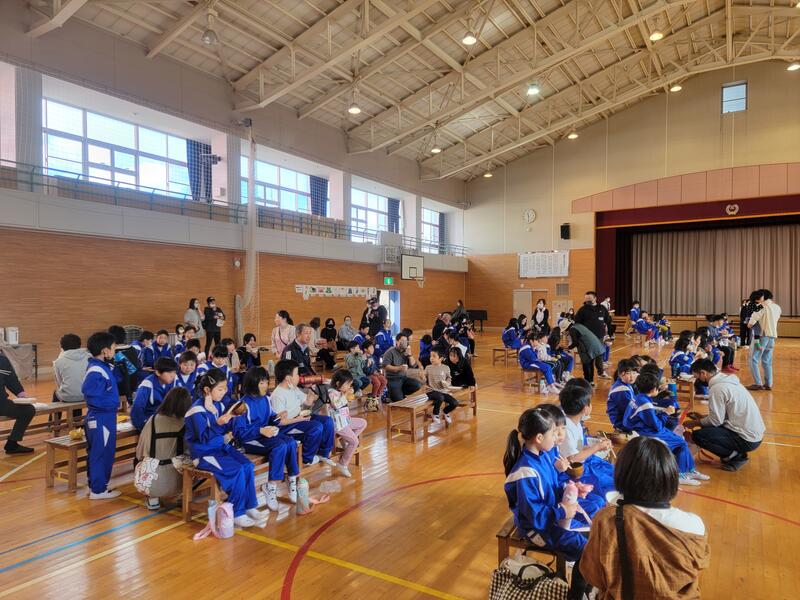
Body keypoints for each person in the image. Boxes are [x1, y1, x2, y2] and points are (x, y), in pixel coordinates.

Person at [581, 437, 709, 599]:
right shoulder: (695, 525)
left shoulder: (607, 519)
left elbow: (593, 575)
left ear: (622, 475)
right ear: (671, 477)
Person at [503, 406, 592, 600]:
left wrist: (573, 488)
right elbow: (535, 516)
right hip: (536, 529)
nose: (557, 437)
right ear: (539, 438)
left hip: (551, 518)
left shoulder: (543, 456)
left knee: (596, 537)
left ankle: (585, 589)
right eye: (553, 433)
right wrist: (562, 511)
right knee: (587, 550)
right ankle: (577, 596)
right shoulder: (525, 472)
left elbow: (554, 484)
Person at [184, 369, 265, 528]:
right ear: (207, 390)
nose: (224, 392)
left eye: (225, 388)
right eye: (220, 389)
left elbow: (226, 427)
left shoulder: (219, 404)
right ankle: (237, 512)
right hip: (204, 454)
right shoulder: (196, 411)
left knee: (247, 465)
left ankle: (249, 505)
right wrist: (218, 424)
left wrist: (235, 416)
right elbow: (203, 438)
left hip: (221, 447)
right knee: (236, 470)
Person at [623, 373, 708, 486]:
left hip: (644, 428)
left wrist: (661, 412)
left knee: (680, 441)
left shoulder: (637, 397)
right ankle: (679, 475)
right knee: (681, 443)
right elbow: (657, 425)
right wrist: (666, 413)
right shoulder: (645, 404)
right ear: (653, 389)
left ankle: (689, 470)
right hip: (645, 432)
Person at [233, 366, 300, 510]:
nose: (265, 385)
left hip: (265, 436)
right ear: (253, 383)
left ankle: (292, 479)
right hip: (249, 441)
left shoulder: (266, 399)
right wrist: (260, 430)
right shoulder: (242, 405)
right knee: (280, 446)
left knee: (291, 442)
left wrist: (277, 417)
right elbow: (239, 432)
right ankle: (271, 487)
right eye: (261, 383)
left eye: (266, 382)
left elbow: (271, 418)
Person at [686, 359, 765, 471]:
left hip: (746, 439)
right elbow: (723, 416)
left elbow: (716, 421)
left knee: (698, 436)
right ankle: (734, 453)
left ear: (703, 373)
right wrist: (701, 417)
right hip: (754, 434)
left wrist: (694, 423)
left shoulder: (717, 388)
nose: (697, 380)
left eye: (697, 377)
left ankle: (736, 457)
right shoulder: (727, 381)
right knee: (705, 426)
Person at [269, 359, 335, 467]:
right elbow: (279, 422)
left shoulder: (293, 388)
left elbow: (307, 402)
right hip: (286, 428)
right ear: (288, 378)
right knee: (316, 427)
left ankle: (323, 453)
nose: (299, 376)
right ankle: (306, 459)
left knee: (327, 421)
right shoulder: (277, 395)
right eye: (296, 374)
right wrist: (298, 419)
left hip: (299, 419)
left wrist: (311, 395)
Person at [135, 386, 192, 510]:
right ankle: (183, 494)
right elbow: (190, 451)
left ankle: (153, 498)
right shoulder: (186, 423)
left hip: (151, 480)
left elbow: (140, 451)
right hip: (178, 480)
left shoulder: (152, 420)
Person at [559, 379, 615, 497]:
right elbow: (573, 459)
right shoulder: (566, 428)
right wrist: (596, 447)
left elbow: (579, 448)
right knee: (610, 484)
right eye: (589, 402)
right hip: (574, 471)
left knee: (614, 472)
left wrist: (598, 445)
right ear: (585, 408)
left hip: (583, 464)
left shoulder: (576, 423)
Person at [82, 332, 121, 498]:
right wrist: (110, 404)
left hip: (105, 416)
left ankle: (97, 486)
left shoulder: (102, 367)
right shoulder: (96, 370)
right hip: (101, 417)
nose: (115, 352)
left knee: (102, 452)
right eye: (113, 349)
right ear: (105, 351)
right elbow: (89, 392)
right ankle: (98, 490)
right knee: (101, 453)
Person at [324, 369, 366, 477]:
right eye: (347, 384)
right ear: (338, 383)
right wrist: (346, 395)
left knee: (363, 423)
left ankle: (346, 440)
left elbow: (345, 402)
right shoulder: (331, 392)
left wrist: (349, 396)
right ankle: (342, 463)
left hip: (345, 420)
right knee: (355, 442)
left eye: (350, 384)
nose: (349, 387)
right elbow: (336, 405)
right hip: (338, 424)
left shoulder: (341, 392)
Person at [747, 289, 782, 391]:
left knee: (753, 359)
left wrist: (749, 324)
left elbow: (751, 323)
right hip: (772, 336)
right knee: (767, 360)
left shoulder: (760, 307)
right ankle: (769, 384)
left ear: (762, 297)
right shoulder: (777, 307)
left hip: (762, 335)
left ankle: (758, 383)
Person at [0, 353, 35, 454]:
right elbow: (12, 381)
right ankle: (12, 444)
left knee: (28, 410)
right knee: (28, 410)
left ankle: (12, 444)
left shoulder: (2, 360)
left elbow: (11, 380)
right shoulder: (2, 360)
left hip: (2, 404)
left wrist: (22, 396)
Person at [131, 357, 177, 432]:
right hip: (148, 422)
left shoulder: (172, 383)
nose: (173, 375)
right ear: (158, 372)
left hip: (165, 421)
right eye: (169, 372)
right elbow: (137, 409)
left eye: (174, 372)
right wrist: (144, 428)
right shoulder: (147, 385)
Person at [560, 320, 609, 385]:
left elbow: (575, 342)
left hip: (587, 346)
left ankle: (587, 381)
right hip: (595, 344)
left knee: (586, 363)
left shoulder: (572, 330)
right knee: (590, 363)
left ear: (566, 327)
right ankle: (591, 381)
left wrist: (568, 347)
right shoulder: (578, 325)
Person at [382, 332, 423, 402]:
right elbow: (385, 366)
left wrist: (410, 355)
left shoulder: (406, 351)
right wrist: (399, 368)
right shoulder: (390, 352)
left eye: (406, 341)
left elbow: (413, 365)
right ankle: (390, 394)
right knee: (399, 401)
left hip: (403, 377)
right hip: (392, 379)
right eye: (402, 341)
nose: (404, 343)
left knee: (417, 385)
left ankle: (399, 393)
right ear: (397, 342)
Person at [423, 347, 459, 425]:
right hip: (431, 391)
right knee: (440, 397)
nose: (431, 358)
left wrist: (447, 383)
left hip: (443, 391)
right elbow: (424, 379)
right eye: (430, 356)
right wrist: (422, 379)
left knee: (455, 403)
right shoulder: (428, 368)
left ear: (441, 358)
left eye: (434, 356)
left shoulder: (446, 368)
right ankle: (435, 414)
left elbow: (449, 378)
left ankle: (445, 411)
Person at [53, 333, 89, 407]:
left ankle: (55, 414)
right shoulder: (88, 357)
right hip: (86, 394)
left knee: (56, 393)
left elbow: (59, 382)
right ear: (79, 344)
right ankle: (77, 415)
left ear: (62, 347)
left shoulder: (58, 361)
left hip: (68, 397)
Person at [606, 358, 638, 432]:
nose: (632, 376)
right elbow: (629, 410)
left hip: (624, 420)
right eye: (628, 373)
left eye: (634, 373)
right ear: (620, 374)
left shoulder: (624, 384)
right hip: (621, 423)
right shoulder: (621, 389)